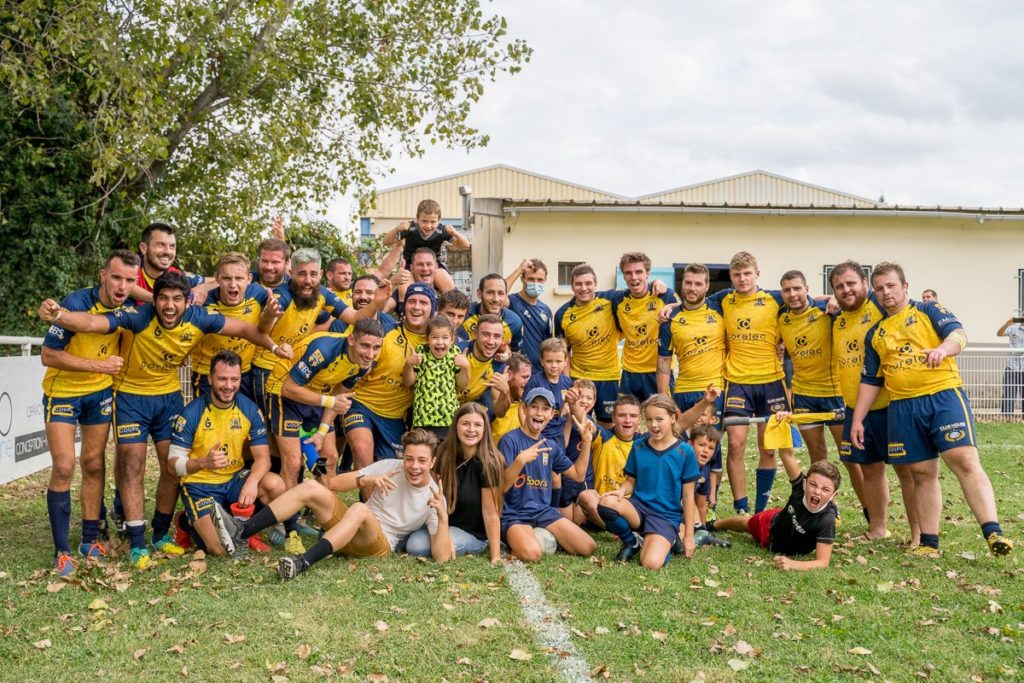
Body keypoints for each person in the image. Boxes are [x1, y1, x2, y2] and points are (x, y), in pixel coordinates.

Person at [38, 272, 292, 569]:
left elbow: (247, 330)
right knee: (132, 463)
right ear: (153, 300)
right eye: (163, 299)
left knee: (172, 467)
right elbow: (94, 322)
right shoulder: (138, 315)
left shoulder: (199, 317)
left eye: (176, 299)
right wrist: (60, 315)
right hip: (131, 397)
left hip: (168, 396)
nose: (169, 306)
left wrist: (274, 348)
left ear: (187, 302)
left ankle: (159, 533)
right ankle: (137, 542)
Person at [852, 262, 1013, 557]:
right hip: (902, 407)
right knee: (922, 473)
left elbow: (958, 335)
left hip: (942, 397)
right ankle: (929, 544)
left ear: (905, 286)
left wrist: (943, 350)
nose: (886, 292)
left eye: (891, 285)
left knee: (963, 460)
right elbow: (871, 379)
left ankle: (993, 533)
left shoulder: (928, 310)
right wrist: (857, 420)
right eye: (880, 288)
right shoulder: (875, 333)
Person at [213, 429, 454, 578]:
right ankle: (242, 530)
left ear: (432, 462)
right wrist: (366, 478)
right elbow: (334, 484)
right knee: (311, 486)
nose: (414, 466)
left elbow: (442, 559)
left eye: (422, 461)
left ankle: (302, 562)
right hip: (348, 529)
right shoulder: (391, 467)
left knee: (359, 509)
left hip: (377, 544)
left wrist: (443, 517)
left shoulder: (433, 496)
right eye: (409, 459)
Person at [40, 249, 139, 576]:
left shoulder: (129, 310)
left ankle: (89, 539)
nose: (122, 285)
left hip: (99, 394)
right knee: (65, 466)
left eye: (129, 279)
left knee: (94, 463)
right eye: (116, 277)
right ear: (103, 276)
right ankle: (61, 551)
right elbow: (48, 355)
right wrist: (98, 365)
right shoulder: (76, 302)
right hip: (63, 392)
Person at [169, 351, 286, 556]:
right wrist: (203, 462)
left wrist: (252, 482)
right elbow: (172, 464)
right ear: (210, 379)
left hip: (233, 480)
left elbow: (263, 459)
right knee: (220, 550)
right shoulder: (191, 413)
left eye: (234, 379)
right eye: (222, 378)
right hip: (200, 485)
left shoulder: (249, 409)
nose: (229, 386)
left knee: (274, 485)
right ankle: (185, 522)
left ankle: (248, 531)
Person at [706, 252, 794, 514]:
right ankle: (741, 508)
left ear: (757, 274)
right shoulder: (724, 300)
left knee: (769, 448)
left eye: (747, 273)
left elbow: (806, 299)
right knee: (735, 444)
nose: (742, 279)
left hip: (772, 383)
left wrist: (830, 299)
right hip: (738, 382)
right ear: (731, 277)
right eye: (737, 274)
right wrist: (668, 303)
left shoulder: (774, 299)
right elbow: (693, 303)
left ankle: (760, 510)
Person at [265, 318, 385, 491]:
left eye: (376, 348)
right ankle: (290, 517)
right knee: (293, 462)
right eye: (365, 346)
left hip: (319, 393)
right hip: (284, 392)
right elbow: (289, 389)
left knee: (330, 458)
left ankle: (325, 510)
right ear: (351, 339)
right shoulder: (324, 350)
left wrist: (322, 431)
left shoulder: (363, 364)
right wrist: (330, 401)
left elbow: (338, 395)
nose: (371, 354)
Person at [830, 261, 903, 542]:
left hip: (889, 404)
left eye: (851, 283)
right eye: (839, 286)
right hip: (855, 408)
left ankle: (921, 533)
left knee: (906, 471)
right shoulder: (837, 319)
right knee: (870, 471)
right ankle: (878, 528)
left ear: (864, 284)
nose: (846, 290)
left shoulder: (880, 308)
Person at [708, 423, 841, 571]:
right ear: (804, 483)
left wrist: (793, 564)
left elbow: (822, 562)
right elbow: (786, 454)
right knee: (746, 524)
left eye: (825, 489)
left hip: (786, 548)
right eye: (813, 485)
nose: (817, 492)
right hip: (770, 525)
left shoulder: (827, 520)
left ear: (833, 495)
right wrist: (784, 423)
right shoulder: (800, 488)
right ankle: (714, 524)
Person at [595, 394, 700, 569]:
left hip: (665, 516)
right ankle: (632, 541)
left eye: (659, 419)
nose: (654, 424)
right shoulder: (639, 446)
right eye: (649, 419)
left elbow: (688, 497)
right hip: (639, 509)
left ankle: (671, 540)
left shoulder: (685, 452)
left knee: (650, 563)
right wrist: (621, 491)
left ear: (673, 418)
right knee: (606, 503)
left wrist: (689, 537)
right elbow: (631, 481)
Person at [499, 388, 597, 561]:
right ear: (524, 409)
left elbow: (578, 475)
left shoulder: (550, 445)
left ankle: (535, 536)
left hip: (543, 513)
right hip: (515, 515)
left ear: (552, 414)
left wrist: (586, 441)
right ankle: (516, 539)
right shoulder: (509, 440)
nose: (539, 413)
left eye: (545, 409)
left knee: (588, 547)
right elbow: (502, 486)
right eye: (534, 407)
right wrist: (519, 461)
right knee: (532, 554)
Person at [657, 263, 726, 509]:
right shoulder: (670, 318)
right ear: (681, 284)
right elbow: (664, 360)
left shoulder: (720, 305)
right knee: (681, 447)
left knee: (709, 447)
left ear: (707, 286)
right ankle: (678, 500)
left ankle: (707, 501)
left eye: (698, 283)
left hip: (715, 390)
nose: (692, 288)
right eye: (688, 283)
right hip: (684, 391)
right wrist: (665, 398)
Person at [345, 283, 434, 466]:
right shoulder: (386, 332)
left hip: (395, 418)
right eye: (412, 302)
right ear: (404, 306)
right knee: (363, 450)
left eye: (423, 303)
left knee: (391, 472)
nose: (417, 307)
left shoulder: (436, 342)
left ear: (433, 308)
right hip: (362, 404)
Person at [404, 403, 505, 563]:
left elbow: (490, 513)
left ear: (485, 429)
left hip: (473, 533)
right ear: (456, 426)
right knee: (414, 544)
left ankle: (479, 546)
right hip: (442, 523)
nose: (471, 429)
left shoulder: (489, 462)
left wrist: (496, 556)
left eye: (477, 425)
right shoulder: (444, 452)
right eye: (465, 423)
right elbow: (431, 491)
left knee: (419, 547)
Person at [190, 252, 279, 402]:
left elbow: (286, 274)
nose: (233, 284)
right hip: (207, 374)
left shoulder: (258, 294)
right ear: (217, 278)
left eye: (239, 278)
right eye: (226, 278)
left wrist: (270, 314)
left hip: (243, 373)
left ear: (249, 279)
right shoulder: (203, 302)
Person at [554, 264, 622, 427]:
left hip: (609, 377)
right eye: (578, 284)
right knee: (577, 423)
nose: (584, 288)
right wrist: (566, 381)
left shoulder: (610, 300)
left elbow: (636, 293)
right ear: (572, 286)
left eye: (588, 283)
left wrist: (657, 284)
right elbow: (564, 354)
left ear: (595, 284)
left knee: (608, 425)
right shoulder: (562, 314)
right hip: (580, 377)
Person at [613, 252, 678, 402]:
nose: (634, 277)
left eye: (639, 272)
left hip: (658, 372)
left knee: (661, 418)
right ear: (623, 276)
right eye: (628, 273)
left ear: (647, 273)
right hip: (630, 372)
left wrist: (670, 302)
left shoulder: (665, 295)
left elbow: (687, 310)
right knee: (626, 419)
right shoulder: (618, 300)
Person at [403, 315, 471, 440]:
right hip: (423, 420)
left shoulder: (455, 353)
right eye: (434, 337)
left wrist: (465, 367)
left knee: (444, 458)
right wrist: (409, 364)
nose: (440, 342)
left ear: (452, 339)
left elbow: (463, 385)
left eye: (445, 338)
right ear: (427, 338)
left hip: (448, 421)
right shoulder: (421, 352)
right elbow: (408, 383)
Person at [382, 199, 469, 292]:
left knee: (447, 283)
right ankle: (403, 305)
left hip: (433, 266)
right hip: (410, 266)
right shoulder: (410, 229)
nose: (428, 225)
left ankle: (450, 304)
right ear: (417, 218)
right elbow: (386, 242)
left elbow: (465, 245)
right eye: (424, 221)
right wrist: (397, 229)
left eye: (433, 222)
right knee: (404, 288)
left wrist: (455, 233)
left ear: (439, 220)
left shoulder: (441, 231)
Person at [131, 222, 209, 304]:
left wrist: (204, 287)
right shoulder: (131, 268)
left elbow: (219, 280)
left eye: (172, 246)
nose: (168, 252)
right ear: (144, 248)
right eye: (160, 245)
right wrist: (159, 300)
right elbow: (123, 286)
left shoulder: (176, 274)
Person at [504, 258, 554, 375]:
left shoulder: (546, 310)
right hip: (514, 371)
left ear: (545, 280)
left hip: (538, 373)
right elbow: (498, 291)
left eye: (540, 279)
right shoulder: (511, 302)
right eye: (531, 279)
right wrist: (518, 270)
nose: (535, 283)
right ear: (523, 279)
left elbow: (549, 345)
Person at [455, 314, 512, 418]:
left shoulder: (498, 367)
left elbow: (500, 413)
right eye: (486, 334)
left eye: (497, 336)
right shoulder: (457, 350)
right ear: (475, 334)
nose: (491, 341)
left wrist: (505, 391)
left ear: (502, 338)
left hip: (464, 415)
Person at [524, 337, 574, 443]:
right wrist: (528, 434)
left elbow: (568, 408)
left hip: (559, 434)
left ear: (565, 362)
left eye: (558, 361)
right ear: (542, 361)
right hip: (540, 433)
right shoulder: (535, 382)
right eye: (549, 361)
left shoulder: (567, 382)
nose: (554, 366)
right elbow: (522, 409)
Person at [459, 273, 524, 353]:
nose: (496, 299)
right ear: (479, 293)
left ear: (506, 295)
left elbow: (516, 354)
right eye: (490, 292)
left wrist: (506, 357)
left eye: (500, 293)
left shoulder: (514, 321)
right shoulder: (464, 313)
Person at [491, 352, 532, 441]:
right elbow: (499, 412)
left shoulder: (530, 399)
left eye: (529, 377)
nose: (528, 382)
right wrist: (504, 391)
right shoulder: (494, 393)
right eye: (524, 377)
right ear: (509, 375)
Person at [997, 315, 1024, 416]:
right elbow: (999, 334)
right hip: (1011, 367)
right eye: (1023, 315)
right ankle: (1007, 417)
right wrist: (1006, 325)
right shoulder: (1013, 328)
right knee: (1009, 393)